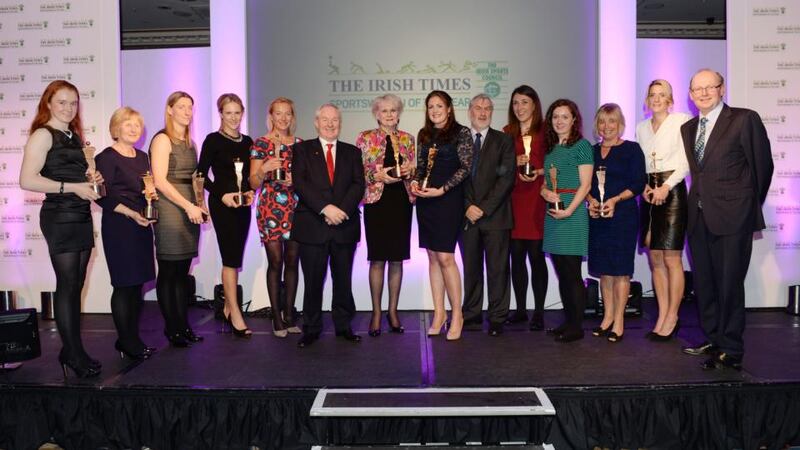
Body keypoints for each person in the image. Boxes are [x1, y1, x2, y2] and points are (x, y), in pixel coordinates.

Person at [680, 69, 773, 370]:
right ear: (691, 95)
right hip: (698, 217)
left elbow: (763, 167)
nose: (704, 93)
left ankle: (732, 347)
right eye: (698, 89)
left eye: (710, 87)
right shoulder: (689, 128)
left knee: (729, 283)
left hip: (734, 218)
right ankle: (714, 338)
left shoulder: (745, 119)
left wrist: (746, 207)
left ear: (722, 89)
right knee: (705, 284)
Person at [19, 80, 103, 378]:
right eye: (62, 102)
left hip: (80, 214)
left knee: (76, 286)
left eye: (73, 102)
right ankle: (73, 354)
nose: (69, 108)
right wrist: (72, 187)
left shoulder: (75, 137)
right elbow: (27, 180)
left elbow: (78, 178)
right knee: (67, 287)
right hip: (59, 216)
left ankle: (71, 350)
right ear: (49, 104)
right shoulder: (43, 134)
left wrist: (93, 179)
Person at [292, 103, 365, 348]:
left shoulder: (352, 152)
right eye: (325, 119)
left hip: (344, 225)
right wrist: (326, 208)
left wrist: (341, 211)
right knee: (313, 281)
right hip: (313, 225)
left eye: (335, 119)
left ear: (339, 123)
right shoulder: (302, 150)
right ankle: (311, 328)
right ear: (316, 122)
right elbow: (300, 184)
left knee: (342, 279)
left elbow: (358, 185)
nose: (330, 123)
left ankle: (344, 326)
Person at [95, 107, 157, 360]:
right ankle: (126, 340)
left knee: (138, 286)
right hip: (120, 227)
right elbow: (102, 196)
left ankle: (132, 339)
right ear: (116, 128)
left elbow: (146, 190)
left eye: (137, 125)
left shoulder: (142, 157)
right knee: (124, 285)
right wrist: (131, 213)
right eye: (127, 124)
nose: (133, 129)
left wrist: (150, 199)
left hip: (142, 226)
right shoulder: (106, 157)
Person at [411, 90, 472, 341]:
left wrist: (443, 189)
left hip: (448, 199)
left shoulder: (462, 133)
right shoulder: (424, 134)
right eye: (430, 107)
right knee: (433, 257)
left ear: (449, 108)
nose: (434, 110)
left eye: (439, 106)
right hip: (426, 201)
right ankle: (439, 313)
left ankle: (457, 314)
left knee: (446, 257)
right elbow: (422, 166)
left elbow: (466, 167)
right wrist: (415, 183)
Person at [635, 79, 691, 341]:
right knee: (655, 258)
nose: (656, 99)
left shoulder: (681, 120)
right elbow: (642, 164)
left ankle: (673, 316)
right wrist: (645, 187)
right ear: (647, 100)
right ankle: (661, 315)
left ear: (670, 99)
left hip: (673, 192)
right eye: (652, 95)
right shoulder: (641, 128)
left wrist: (666, 187)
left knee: (671, 258)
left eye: (662, 95)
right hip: (649, 194)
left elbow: (684, 162)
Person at [150, 91, 207, 348]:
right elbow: (160, 181)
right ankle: (171, 329)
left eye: (190, 107)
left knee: (183, 272)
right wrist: (187, 206)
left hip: (189, 207)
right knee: (169, 271)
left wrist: (201, 205)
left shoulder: (191, 143)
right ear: (170, 109)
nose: (187, 111)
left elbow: (195, 179)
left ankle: (183, 326)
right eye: (182, 107)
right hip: (171, 207)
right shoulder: (162, 140)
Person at [585, 104, 646, 343]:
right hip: (598, 217)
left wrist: (614, 200)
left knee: (620, 271)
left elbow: (638, 182)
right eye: (602, 121)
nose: (606, 126)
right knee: (604, 271)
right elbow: (585, 183)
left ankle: (619, 320)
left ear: (620, 124)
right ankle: (607, 317)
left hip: (623, 217)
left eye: (611, 121)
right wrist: (590, 201)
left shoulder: (632, 150)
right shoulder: (590, 151)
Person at [356, 94, 416, 337]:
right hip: (376, 203)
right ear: (376, 114)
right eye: (384, 111)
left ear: (398, 113)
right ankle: (376, 313)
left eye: (393, 110)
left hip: (401, 202)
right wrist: (376, 176)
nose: (389, 114)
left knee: (397, 259)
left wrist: (412, 172)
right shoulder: (365, 138)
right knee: (378, 258)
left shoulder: (408, 139)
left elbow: (412, 174)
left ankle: (392, 311)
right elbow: (358, 173)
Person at [198, 93, 254, 338]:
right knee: (230, 258)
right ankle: (236, 313)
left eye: (237, 112)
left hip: (243, 205)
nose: (233, 117)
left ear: (242, 113)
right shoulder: (212, 140)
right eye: (228, 112)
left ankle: (229, 306)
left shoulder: (248, 141)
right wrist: (222, 195)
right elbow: (200, 176)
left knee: (236, 258)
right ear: (220, 113)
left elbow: (251, 176)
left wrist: (251, 191)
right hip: (223, 205)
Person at [460, 94, 515, 336]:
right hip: (466, 216)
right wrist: (467, 206)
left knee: (498, 269)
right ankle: (471, 315)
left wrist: (483, 208)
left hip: (496, 216)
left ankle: (497, 317)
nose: (482, 112)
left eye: (487, 108)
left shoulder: (504, 140)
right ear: (470, 111)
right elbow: (454, 177)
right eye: (478, 108)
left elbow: (506, 179)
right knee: (471, 268)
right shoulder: (459, 140)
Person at [540, 99, 593, 343]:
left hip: (572, 216)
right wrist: (545, 192)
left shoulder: (582, 146)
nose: (559, 121)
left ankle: (576, 326)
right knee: (562, 271)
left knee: (572, 273)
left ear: (574, 119)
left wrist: (570, 210)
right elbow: (546, 183)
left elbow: (586, 185)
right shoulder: (550, 148)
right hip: (553, 215)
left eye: (564, 116)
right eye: (555, 117)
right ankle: (568, 321)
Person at [249, 97, 303, 338]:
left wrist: (296, 181)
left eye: (287, 114)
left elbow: (308, 180)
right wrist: (264, 169)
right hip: (270, 207)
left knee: (293, 261)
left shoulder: (300, 145)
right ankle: (276, 318)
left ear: (292, 117)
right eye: (278, 114)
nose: (283, 118)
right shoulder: (261, 143)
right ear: (271, 116)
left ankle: (290, 314)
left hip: (296, 207)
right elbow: (252, 182)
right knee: (276, 261)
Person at [503, 85, 549, 330]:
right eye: (515, 103)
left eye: (524, 102)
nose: (519, 108)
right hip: (513, 201)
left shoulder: (546, 131)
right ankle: (520, 309)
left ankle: (539, 312)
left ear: (534, 105)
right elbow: (498, 169)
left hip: (538, 199)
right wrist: (513, 161)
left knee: (537, 258)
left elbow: (553, 164)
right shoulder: (506, 133)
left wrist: (538, 171)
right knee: (516, 259)